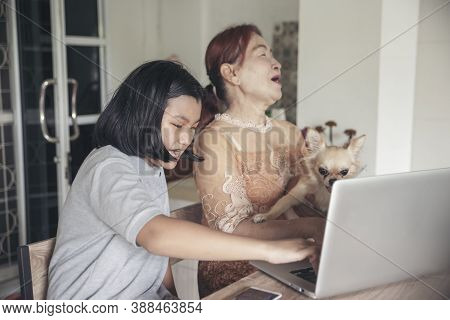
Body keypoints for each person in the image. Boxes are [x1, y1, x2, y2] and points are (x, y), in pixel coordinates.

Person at [46, 60, 319, 300]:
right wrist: (267, 251)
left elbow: (156, 257)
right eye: (178, 124)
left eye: (192, 128)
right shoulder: (107, 166)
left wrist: (175, 299)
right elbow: (156, 235)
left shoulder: (149, 169)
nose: (188, 138)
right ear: (143, 112)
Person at [194, 25, 325, 297]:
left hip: (292, 260)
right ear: (231, 73)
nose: (276, 63)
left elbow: (309, 201)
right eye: (262, 54)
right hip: (237, 274)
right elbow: (232, 228)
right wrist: (312, 227)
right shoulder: (213, 139)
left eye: (273, 54)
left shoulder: (288, 132)